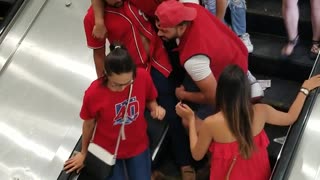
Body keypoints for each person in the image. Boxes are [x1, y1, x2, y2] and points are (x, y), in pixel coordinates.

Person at [84, 0, 196, 179]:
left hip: (157, 61)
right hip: (132, 74)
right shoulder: (93, 18)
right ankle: (149, 169)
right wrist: (104, 86)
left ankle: (184, 162)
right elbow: (98, 54)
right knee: (136, 120)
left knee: (172, 111)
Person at [176, 64, 320, 179]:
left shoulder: (211, 123)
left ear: (220, 91)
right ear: (246, 90)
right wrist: (305, 89)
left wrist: (190, 119)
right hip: (258, 173)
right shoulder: (261, 111)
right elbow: (290, 118)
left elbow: (197, 154)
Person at [63, 44, 166, 179]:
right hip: (107, 148)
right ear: (106, 75)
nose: (122, 88)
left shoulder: (143, 77)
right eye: (116, 84)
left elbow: (150, 99)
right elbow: (88, 124)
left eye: (128, 83)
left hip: (137, 143)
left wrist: (155, 108)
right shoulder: (94, 93)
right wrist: (83, 153)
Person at [155, 0, 263, 122]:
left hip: (227, 79)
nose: (158, 33)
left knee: (188, 122)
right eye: (158, 27)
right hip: (234, 53)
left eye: (164, 31)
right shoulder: (193, 9)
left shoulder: (194, 59)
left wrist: (183, 95)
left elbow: (213, 96)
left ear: (181, 27)